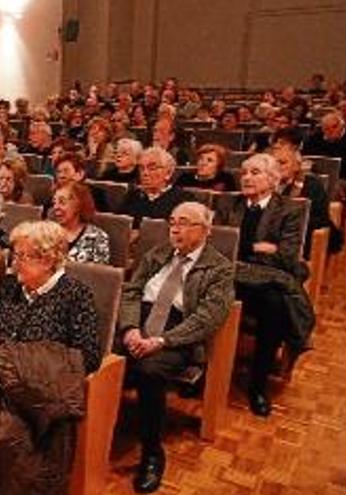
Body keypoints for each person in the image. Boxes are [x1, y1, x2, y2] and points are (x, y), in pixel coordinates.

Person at [0, 220, 101, 494]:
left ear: (49, 260)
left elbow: (88, 355)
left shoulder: (75, 295)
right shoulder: (10, 286)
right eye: (15, 254)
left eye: (23, 256)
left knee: (5, 438)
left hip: (37, 393)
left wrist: (23, 365)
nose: (15, 263)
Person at [118, 202, 234, 493]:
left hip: (178, 332)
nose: (175, 228)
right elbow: (131, 291)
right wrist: (130, 328)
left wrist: (161, 341)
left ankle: (152, 453)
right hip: (140, 321)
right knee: (92, 355)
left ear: (204, 230)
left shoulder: (219, 268)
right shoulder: (157, 253)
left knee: (149, 370)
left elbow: (207, 319)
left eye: (184, 222)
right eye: (172, 221)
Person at [213, 154, 312, 417]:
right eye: (244, 172)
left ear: (272, 179)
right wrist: (257, 247)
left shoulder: (290, 209)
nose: (246, 177)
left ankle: (258, 384)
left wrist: (244, 250)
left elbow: (286, 256)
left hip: (266, 279)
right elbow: (219, 245)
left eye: (255, 172)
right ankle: (202, 372)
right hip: (229, 274)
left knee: (276, 304)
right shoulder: (227, 204)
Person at [272, 146, 331, 257]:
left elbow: (320, 220)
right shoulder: (264, 184)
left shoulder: (312, 186)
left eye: (282, 163)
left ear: (297, 166)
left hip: (299, 240)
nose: (277, 167)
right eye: (274, 163)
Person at [119, 147, 194, 228]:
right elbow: (118, 224)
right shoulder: (133, 195)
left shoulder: (184, 199)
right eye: (141, 168)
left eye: (152, 168)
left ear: (168, 173)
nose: (145, 173)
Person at [52, 183, 111, 264]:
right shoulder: (47, 233)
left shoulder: (97, 237)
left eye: (62, 202)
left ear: (78, 205)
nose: (56, 207)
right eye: (54, 202)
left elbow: (99, 274)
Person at [302, 111, 346, 182]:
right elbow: (306, 154)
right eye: (326, 129)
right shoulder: (316, 138)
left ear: (342, 125)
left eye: (334, 127)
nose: (329, 131)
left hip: (345, 178)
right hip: (320, 175)